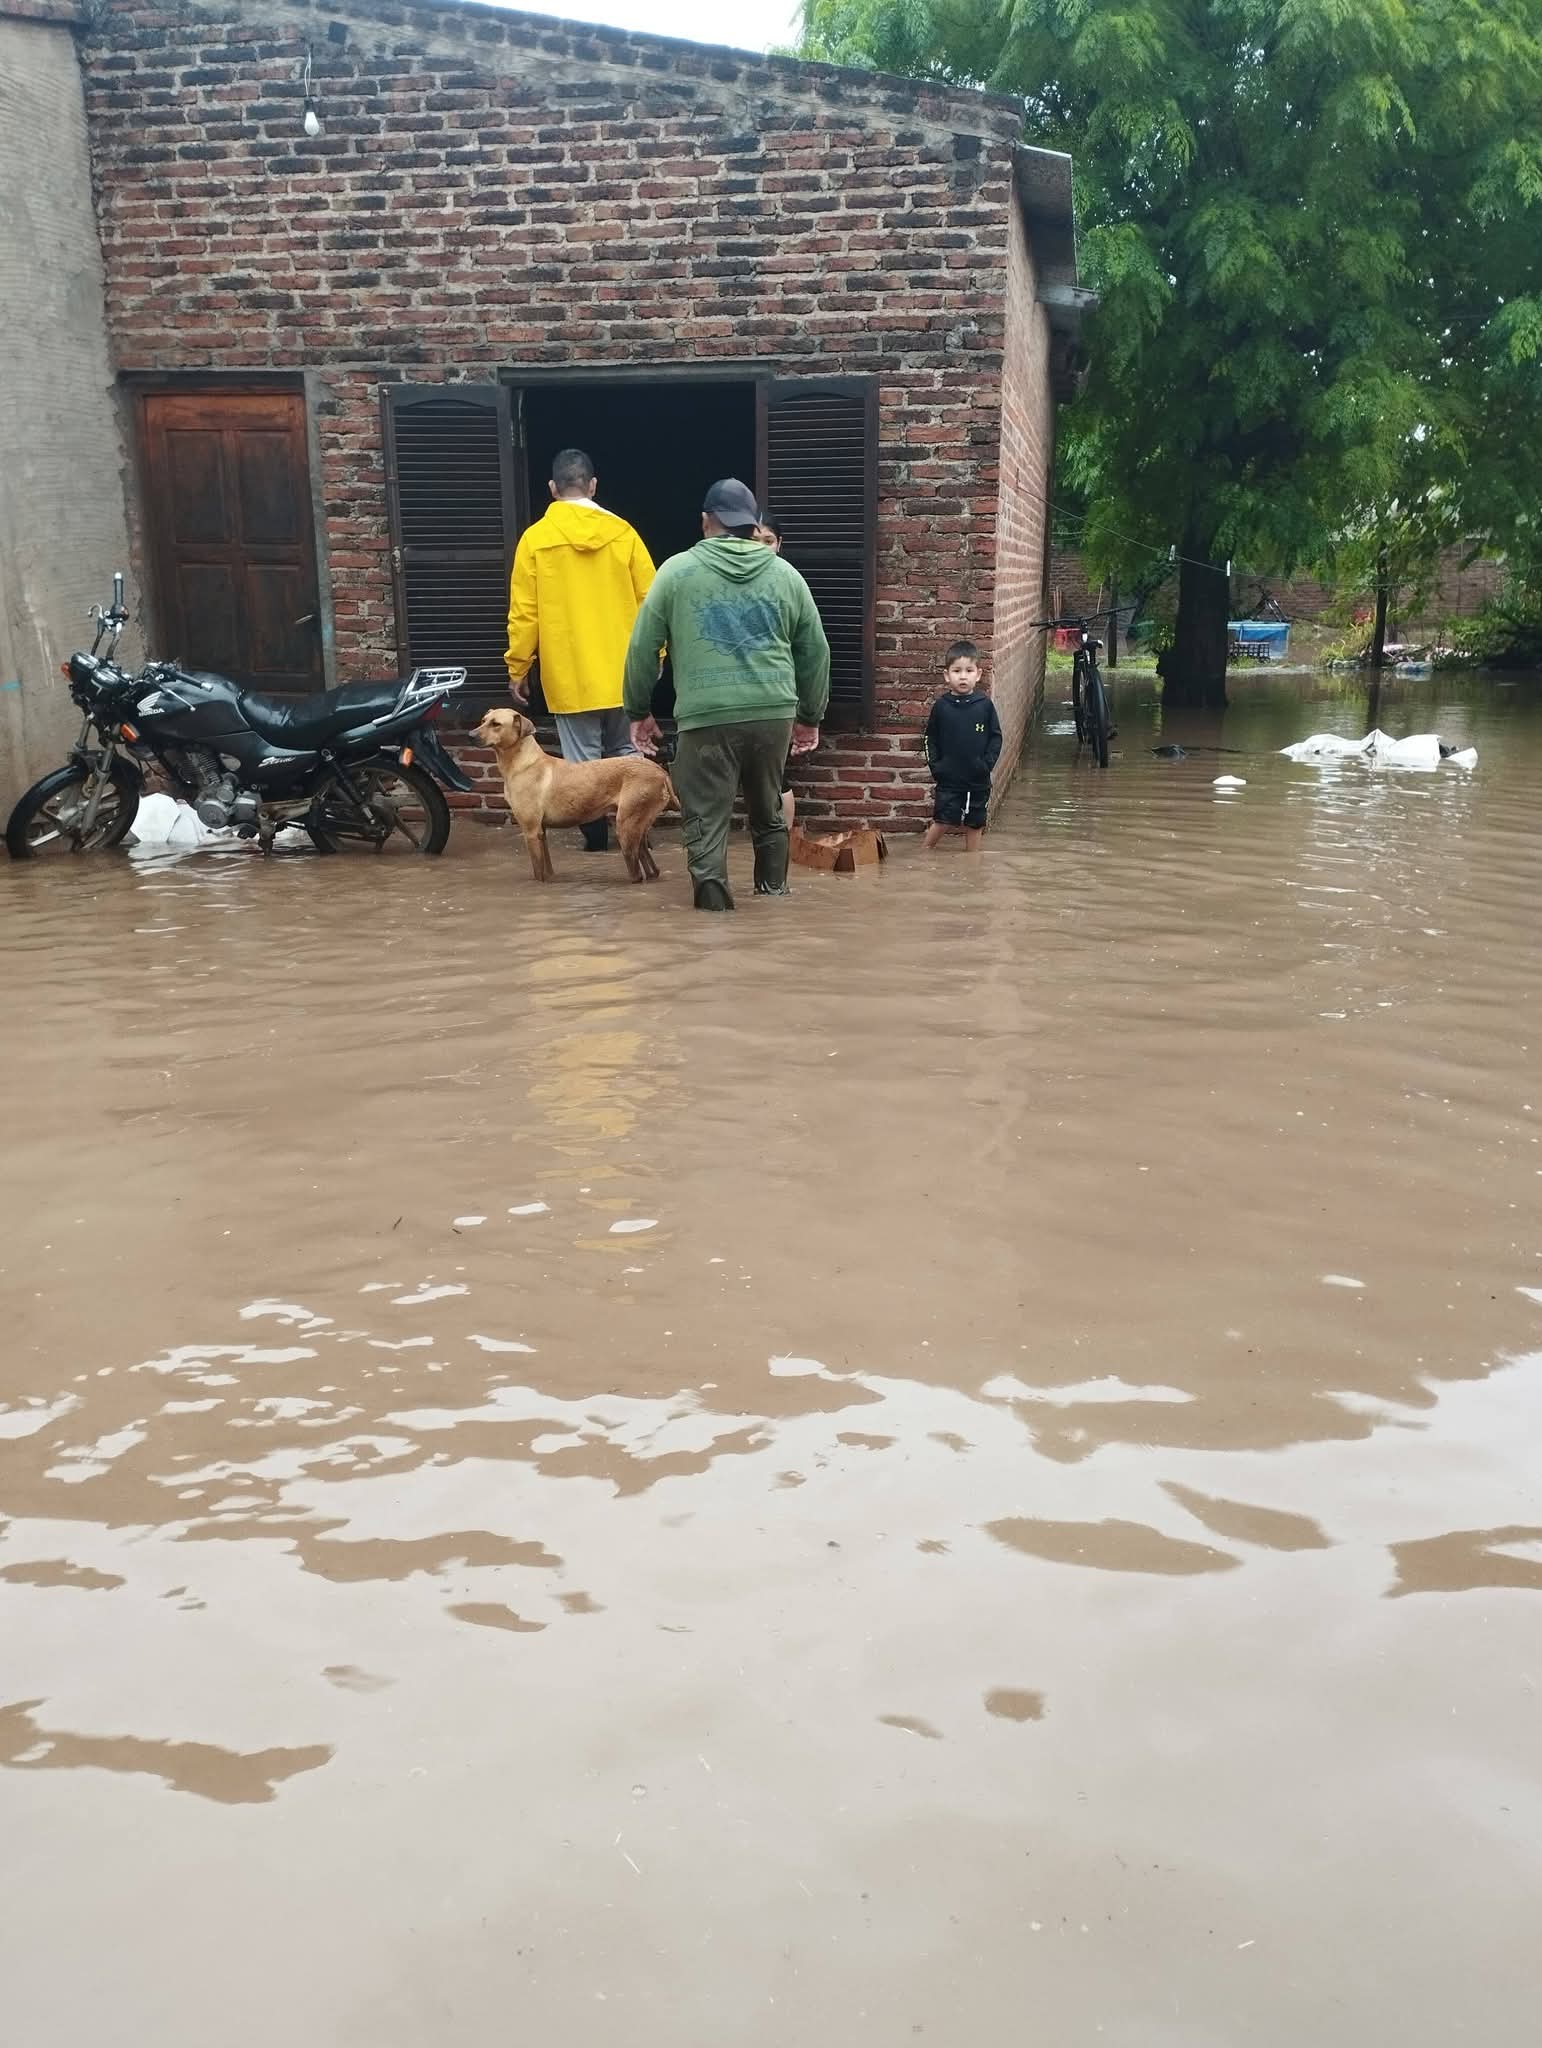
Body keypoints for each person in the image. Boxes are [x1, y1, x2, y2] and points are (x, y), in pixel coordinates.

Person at [623, 479, 830, 912]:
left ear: (705, 521)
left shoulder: (676, 572)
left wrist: (638, 710)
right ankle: (773, 903)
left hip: (706, 716)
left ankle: (713, 919)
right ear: (752, 526)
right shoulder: (785, 574)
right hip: (772, 714)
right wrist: (809, 715)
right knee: (769, 812)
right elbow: (815, 650)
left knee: (705, 820)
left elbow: (642, 646)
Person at [505, 446, 655, 851]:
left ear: (553, 488)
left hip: (569, 674)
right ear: (593, 485)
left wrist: (519, 665)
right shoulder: (624, 533)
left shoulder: (535, 539)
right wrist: (655, 658)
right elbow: (652, 600)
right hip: (623, 671)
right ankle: (637, 841)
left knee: (583, 767)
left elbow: (525, 611)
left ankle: (597, 848)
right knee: (627, 754)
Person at [923, 641, 1002, 851]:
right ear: (947, 675)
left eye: (969, 670)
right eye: (957, 671)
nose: (963, 676)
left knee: (975, 823)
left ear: (978, 674)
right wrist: (936, 767)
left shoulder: (984, 706)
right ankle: (925, 853)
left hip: (978, 779)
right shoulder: (941, 707)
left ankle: (972, 861)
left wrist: (986, 765)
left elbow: (996, 738)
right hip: (948, 779)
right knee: (942, 819)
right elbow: (930, 739)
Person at [754, 515, 799, 831]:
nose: (761, 548)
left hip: (779, 694)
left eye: (768, 541)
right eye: (755, 541)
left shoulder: (791, 584)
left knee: (779, 775)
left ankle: (783, 842)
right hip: (745, 693)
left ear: (780, 545)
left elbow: (807, 648)